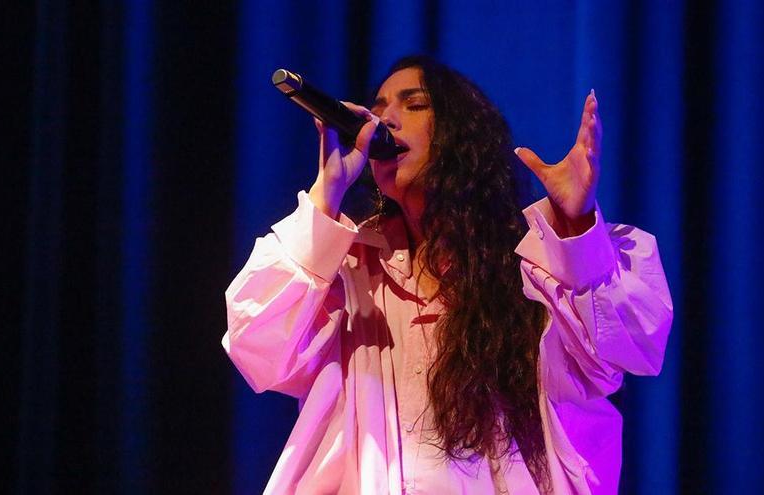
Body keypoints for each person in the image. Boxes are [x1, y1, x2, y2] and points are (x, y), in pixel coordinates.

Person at [222, 55, 672, 494]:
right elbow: (256, 343)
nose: (386, 122)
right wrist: (327, 192)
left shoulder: (534, 272)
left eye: (414, 105)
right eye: (376, 111)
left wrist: (577, 227)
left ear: (462, 134)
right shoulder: (348, 270)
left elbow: (624, 349)